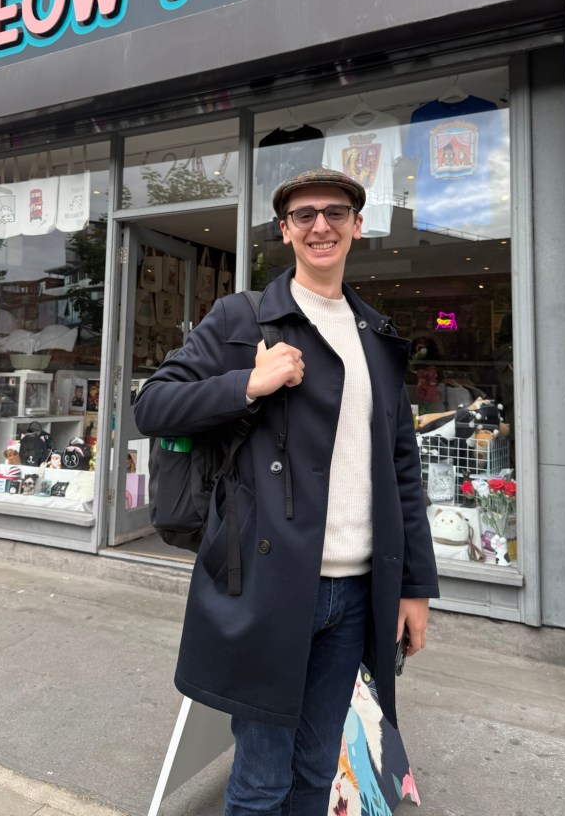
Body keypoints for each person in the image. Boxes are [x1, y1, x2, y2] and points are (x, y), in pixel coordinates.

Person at [134, 168, 439, 816]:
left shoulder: (375, 338)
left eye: (335, 212)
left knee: (314, 769)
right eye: (304, 215)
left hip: (356, 595)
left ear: (357, 225)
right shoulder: (242, 318)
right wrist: (246, 381)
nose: (320, 225)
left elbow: (401, 468)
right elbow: (152, 406)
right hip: (271, 589)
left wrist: (415, 586)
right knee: (260, 779)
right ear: (286, 230)